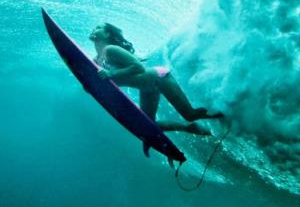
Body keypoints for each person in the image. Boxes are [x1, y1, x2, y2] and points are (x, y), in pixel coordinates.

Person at [89, 23, 223, 135]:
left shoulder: (110, 50)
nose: (94, 29)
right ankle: (188, 128)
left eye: (99, 28)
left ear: (107, 34)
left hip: (159, 78)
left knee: (190, 115)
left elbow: (138, 67)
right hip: (146, 88)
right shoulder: (97, 60)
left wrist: (111, 74)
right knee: (149, 124)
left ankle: (225, 112)